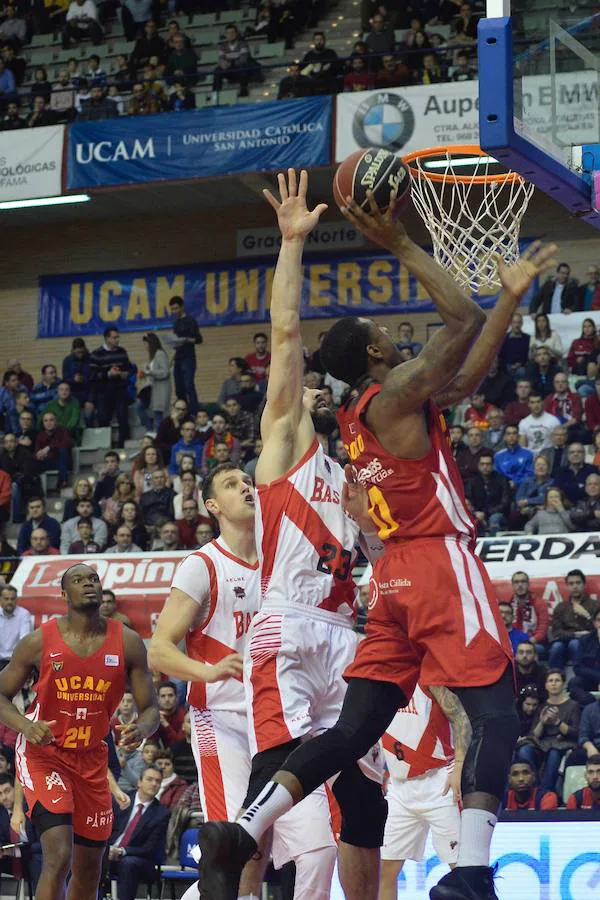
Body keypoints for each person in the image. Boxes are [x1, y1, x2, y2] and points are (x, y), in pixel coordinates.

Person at [197, 185, 555, 900]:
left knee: (358, 771)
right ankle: (473, 872)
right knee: (493, 711)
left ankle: (243, 830)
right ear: (370, 352)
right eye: (386, 338)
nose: (397, 339)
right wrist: (342, 239)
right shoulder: (308, 432)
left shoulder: (361, 435)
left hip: (367, 600)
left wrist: (511, 302)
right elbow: (296, 331)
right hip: (360, 592)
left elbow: (467, 370)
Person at [149, 462, 338, 900]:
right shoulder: (203, 564)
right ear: (212, 505)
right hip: (224, 718)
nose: (246, 489)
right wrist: (206, 671)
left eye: (249, 482)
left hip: (282, 717)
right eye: (232, 486)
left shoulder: (283, 559)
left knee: (320, 848)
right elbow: (159, 649)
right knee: (237, 846)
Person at [0, 563, 159, 900]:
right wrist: (26, 726)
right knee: (58, 855)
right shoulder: (38, 641)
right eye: (78, 579)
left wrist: (141, 729)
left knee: (90, 869)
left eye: (93, 579)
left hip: (91, 759)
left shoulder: (128, 642)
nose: (89, 583)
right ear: (63, 594)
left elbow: (151, 710)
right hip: (45, 756)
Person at [379, 686, 461, 900]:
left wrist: (459, 766)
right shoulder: (381, 679)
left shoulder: (430, 676)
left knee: (462, 869)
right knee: (385, 870)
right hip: (398, 787)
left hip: (440, 782)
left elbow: (461, 719)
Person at [107, 764, 170, 900]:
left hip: (141, 861)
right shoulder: (121, 800)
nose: (154, 784)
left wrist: (121, 851)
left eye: (158, 781)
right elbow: (106, 830)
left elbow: (149, 849)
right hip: (110, 852)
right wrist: (107, 849)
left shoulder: (161, 813)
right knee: (92, 857)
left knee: (128, 863)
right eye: (150, 779)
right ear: (139, 782)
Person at [514, 669, 580, 792]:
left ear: (564, 684)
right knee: (525, 750)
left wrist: (557, 722)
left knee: (554, 752)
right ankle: (534, 788)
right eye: (550, 681)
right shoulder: (541, 706)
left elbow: (575, 733)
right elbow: (534, 735)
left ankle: (545, 792)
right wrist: (542, 722)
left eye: (557, 680)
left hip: (563, 743)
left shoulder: (573, 705)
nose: (554, 683)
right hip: (542, 743)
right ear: (546, 685)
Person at [549, 570, 600, 669]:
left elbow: (598, 628)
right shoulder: (561, 607)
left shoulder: (595, 605)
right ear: (567, 586)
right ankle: (555, 677)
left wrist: (587, 615)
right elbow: (556, 632)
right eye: (571, 584)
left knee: (575, 644)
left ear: (584, 585)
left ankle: (581, 674)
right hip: (564, 642)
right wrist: (575, 635)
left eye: (578, 583)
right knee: (556, 647)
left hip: (588, 643)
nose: (575, 586)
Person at [90, 327, 131, 448]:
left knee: (123, 418)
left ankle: (124, 446)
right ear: (107, 338)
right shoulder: (96, 354)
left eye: (118, 337)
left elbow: (128, 369)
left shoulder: (122, 351)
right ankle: (105, 446)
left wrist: (124, 374)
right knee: (103, 419)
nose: (117, 340)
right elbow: (92, 376)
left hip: (120, 390)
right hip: (104, 391)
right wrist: (108, 374)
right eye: (114, 337)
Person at [166, 297, 201, 415]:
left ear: (182, 307)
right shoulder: (176, 323)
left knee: (188, 384)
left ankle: (194, 411)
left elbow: (198, 339)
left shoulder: (190, 321)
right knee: (179, 386)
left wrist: (185, 339)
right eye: (172, 309)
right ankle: (182, 411)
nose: (174, 311)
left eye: (176, 308)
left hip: (188, 357)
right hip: (178, 357)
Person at [465, 452, 511, 536]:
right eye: (482, 464)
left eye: (488, 464)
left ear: (493, 466)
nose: (485, 467)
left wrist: (486, 513)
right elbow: (468, 500)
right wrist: (475, 512)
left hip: (498, 514)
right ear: (478, 466)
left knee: (494, 519)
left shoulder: (502, 480)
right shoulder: (473, 482)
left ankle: (493, 544)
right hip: (477, 514)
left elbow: (505, 503)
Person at [506, 572, 549, 650]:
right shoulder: (509, 603)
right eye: (516, 582)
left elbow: (542, 629)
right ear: (512, 585)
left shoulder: (539, 602)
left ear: (528, 584)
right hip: (513, 641)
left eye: (523, 581)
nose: (520, 585)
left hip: (535, 642)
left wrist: (528, 642)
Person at [568, 608, 600, 707]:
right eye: (599, 620)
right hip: (590, 678)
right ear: (595, 623)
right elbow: (577, 667)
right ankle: (594, 705)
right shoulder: (585, 640)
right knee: (573, 684)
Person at [139, 333, 170, 432]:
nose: (144, 347)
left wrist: (149, 372)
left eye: (145, 344)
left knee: (158, 416)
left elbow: (165, 372)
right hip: (154, 389)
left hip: (160, 390)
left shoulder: (159, 353)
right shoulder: (154, 355)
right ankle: (152, 430)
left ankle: (154, 433)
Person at [0, 584, 32, 670]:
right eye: (6, 599)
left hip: (15, 661)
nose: (9, 602)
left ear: (16, 599)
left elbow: (24, 640)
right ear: (0, 600)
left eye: (12, 599)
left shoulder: (24, 614)